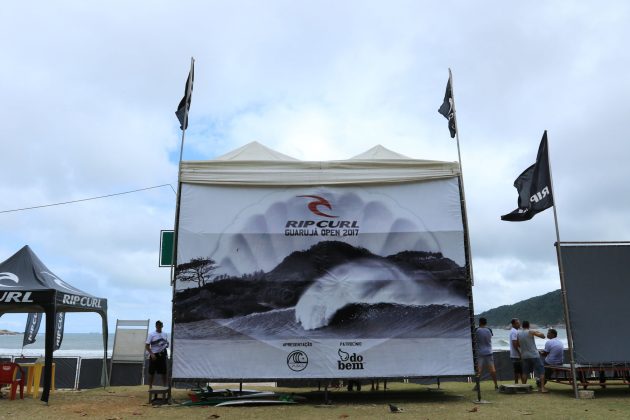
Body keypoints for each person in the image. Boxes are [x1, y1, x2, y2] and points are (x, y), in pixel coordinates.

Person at [517, 320, 547, 393]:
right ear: (528, 325)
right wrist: (537, 332)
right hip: (534, 354)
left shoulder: (519, 333)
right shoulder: (530, 331)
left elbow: (518, 344)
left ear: (522, 326)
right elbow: (543, 336)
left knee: (525, 372)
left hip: (524, 355)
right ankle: (542, 388)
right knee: (541, 371)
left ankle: (524, 388)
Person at [473, 317, 498, 390]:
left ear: (480, 322)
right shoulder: (489, 330)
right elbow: (490, 337)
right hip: (489, 352)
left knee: (479, 370)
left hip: (480, 352)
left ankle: (477, 385)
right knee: (492, 370)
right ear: (486, 323)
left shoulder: (476, 330)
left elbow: (474, 339)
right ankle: (496, 385)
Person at [145, 320, 169, 389]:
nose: (159, 327)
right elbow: (147, 346)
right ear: (156, 326)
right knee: (152, 372)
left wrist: (167, 344)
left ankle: (165, 387)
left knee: (164, 371)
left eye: (160, 325)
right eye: (157, 325)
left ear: (162, 326)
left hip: (163, 354)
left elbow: (165, 342)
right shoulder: (151, 334)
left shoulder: (164, 334)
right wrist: (151, 354)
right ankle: (150, 387)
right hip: (154, 355)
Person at [509, 318, 525, 384]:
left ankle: (518, 383)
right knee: (519, 370)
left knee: (517, 370)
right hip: (516, 354)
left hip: (515, 354)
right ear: (513, 324)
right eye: (517, 323)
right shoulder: (514, 332)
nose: (519, 324)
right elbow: (514, 343)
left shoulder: (514, 331)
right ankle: (522, 384)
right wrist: (519, 353)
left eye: (519, 323)